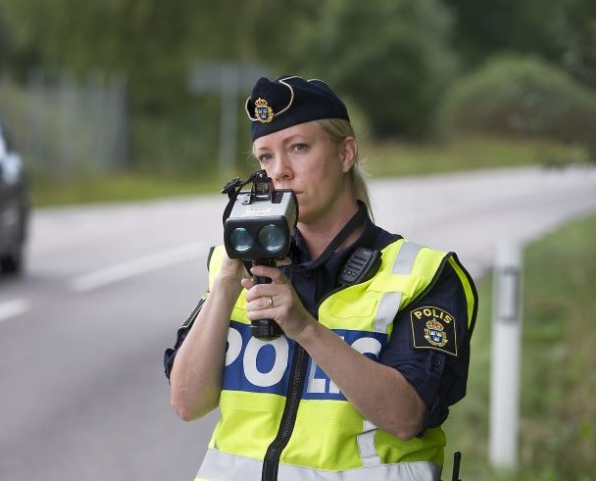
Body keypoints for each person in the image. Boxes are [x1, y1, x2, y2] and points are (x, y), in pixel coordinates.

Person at [164, 75, 478, 481]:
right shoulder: (233, 266)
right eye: (265, 157)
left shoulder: (420, 274)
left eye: (298, 148)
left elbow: (405, 417)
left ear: (346, 153)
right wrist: (225, 285)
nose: (280, 172)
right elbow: (188, 403)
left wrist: (303, 327)